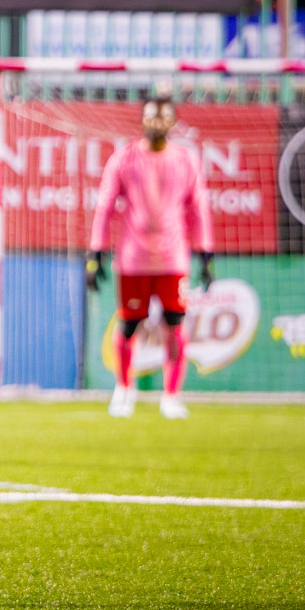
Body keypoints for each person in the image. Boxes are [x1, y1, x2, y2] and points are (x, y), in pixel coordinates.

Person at [87, 92, 213, 420]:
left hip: (173, 259)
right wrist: (96, 252)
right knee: (128, 325)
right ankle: (123, 390)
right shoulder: (124, 158)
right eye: (151, 116)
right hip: (133, 259)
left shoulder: (186, 160)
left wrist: (206, 253)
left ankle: (171, 396)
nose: (156, 122)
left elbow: (198, 208)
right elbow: (104, 207)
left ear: (172, 121)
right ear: (142, 119)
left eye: (162, 116)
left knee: (175, 326)